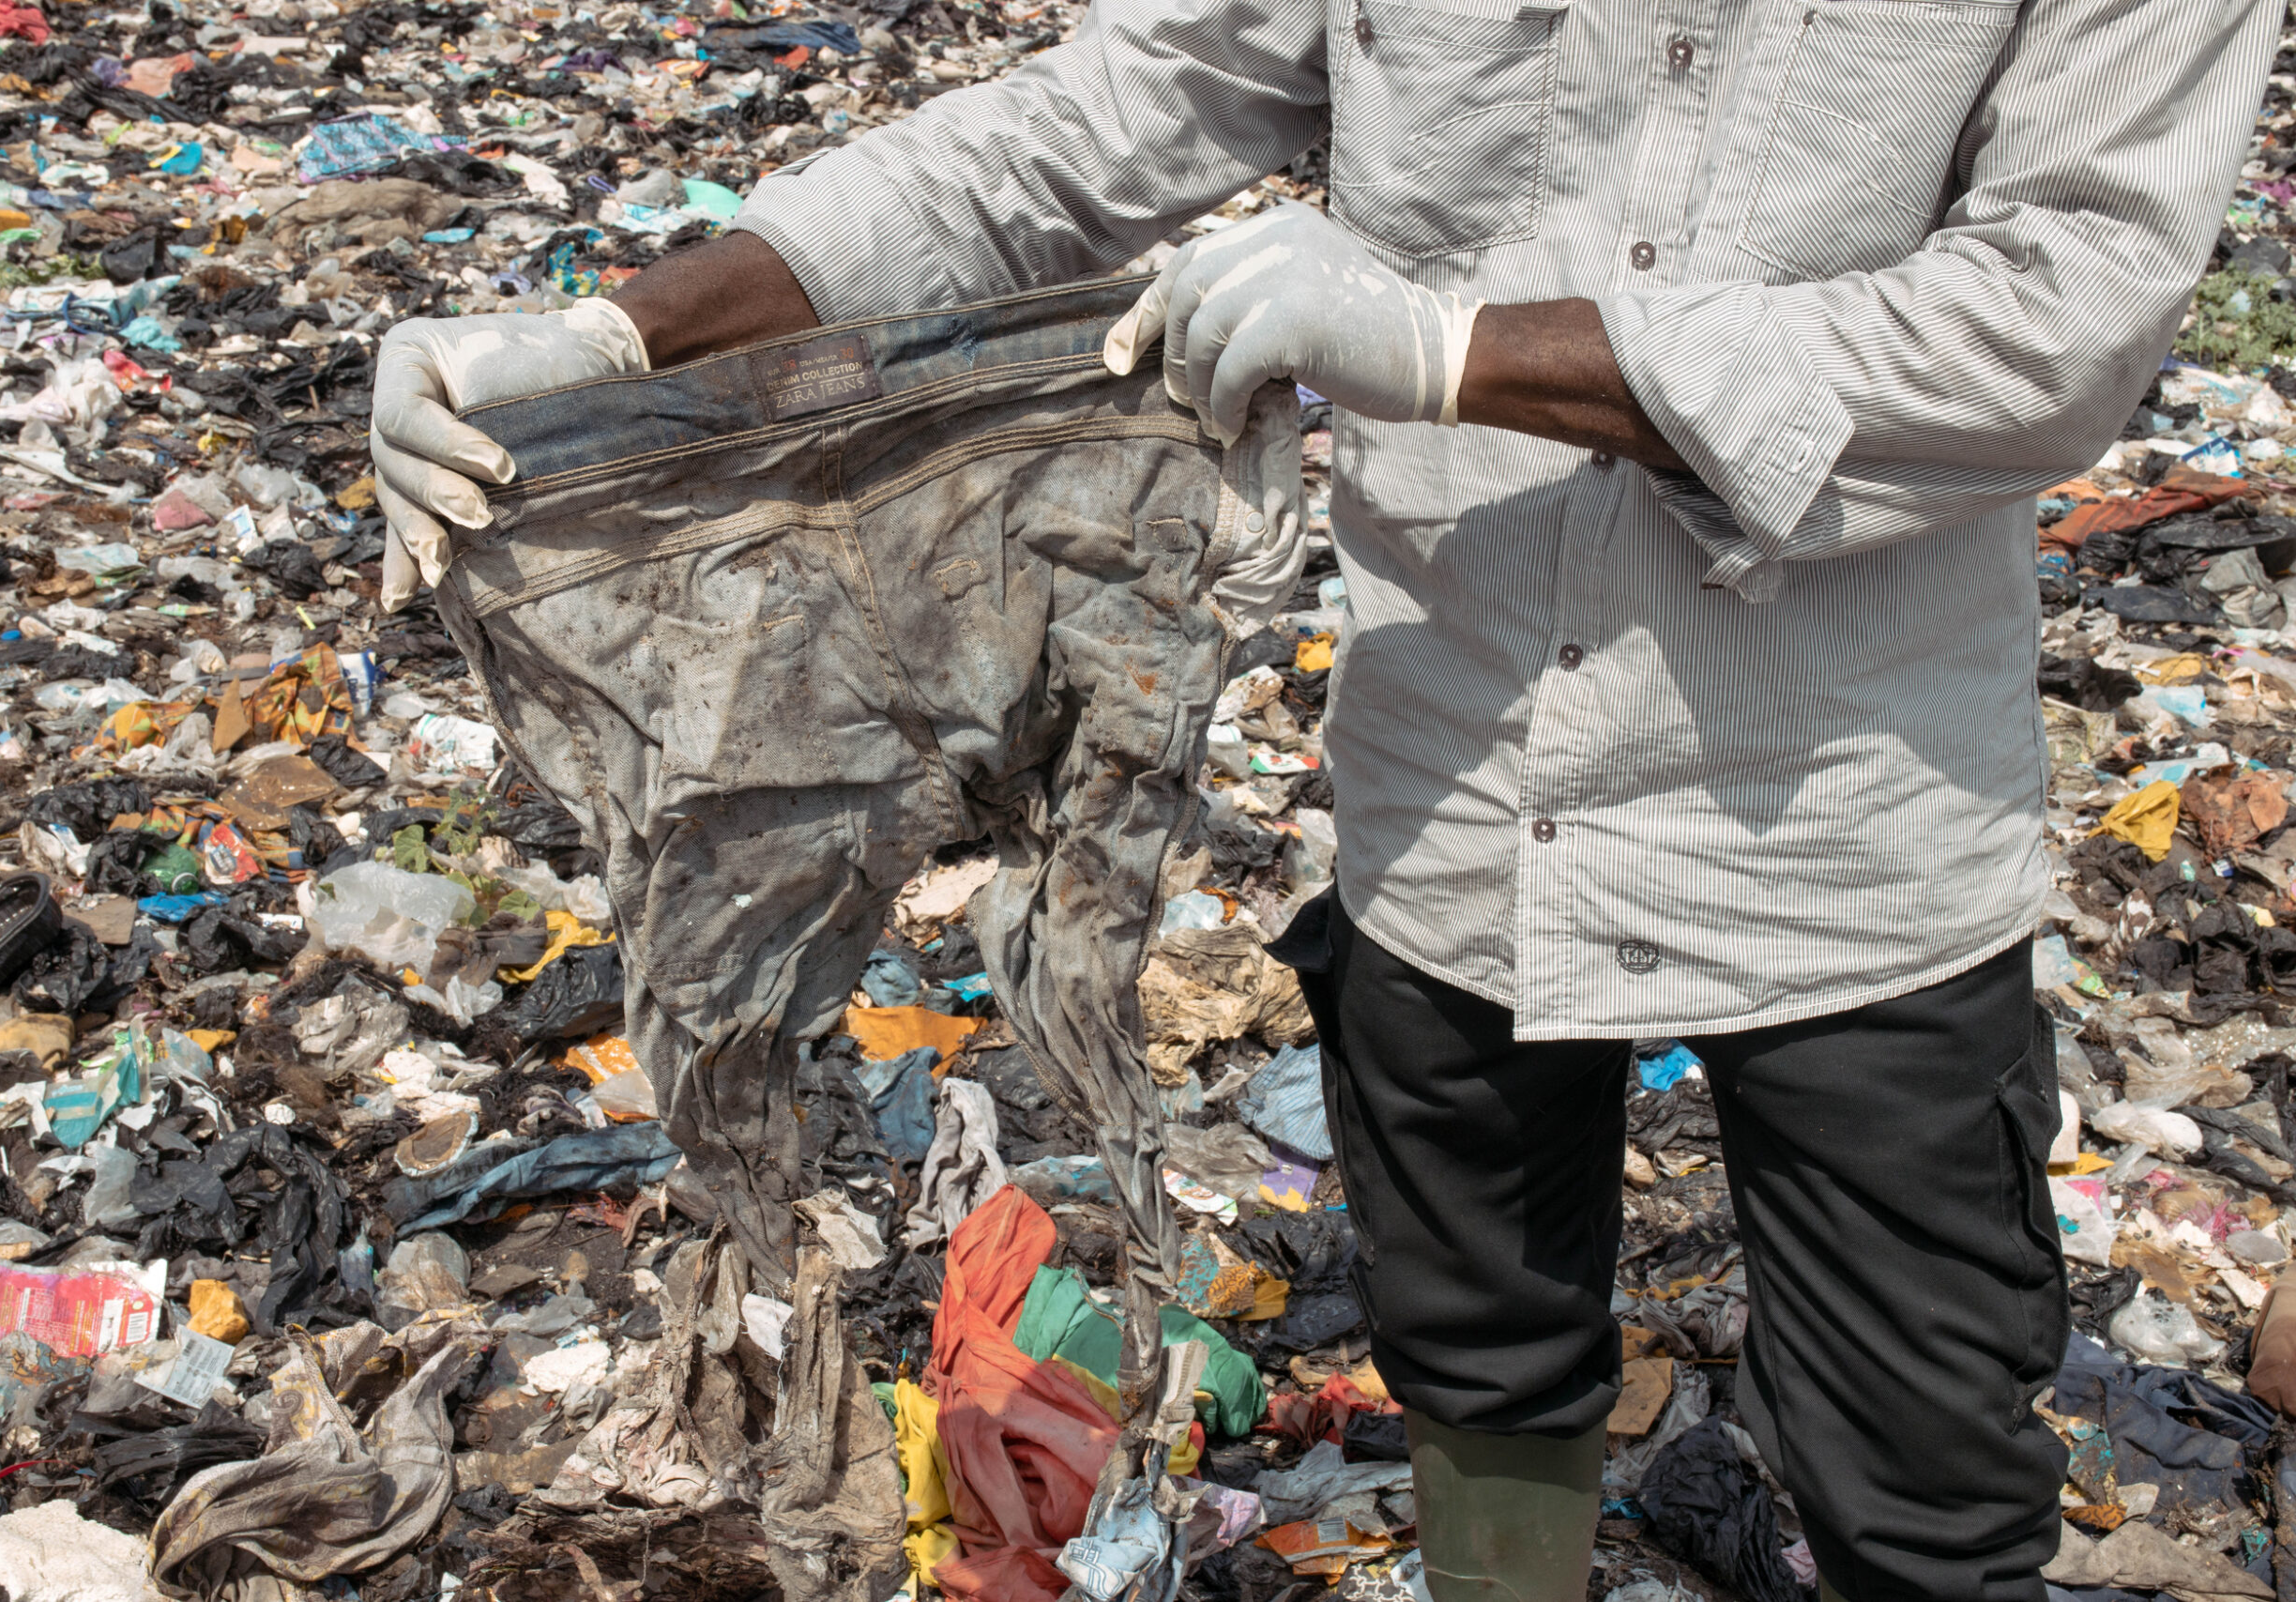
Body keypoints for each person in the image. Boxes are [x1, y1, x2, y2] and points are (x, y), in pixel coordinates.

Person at [370, 0, 2278, 1588]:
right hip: (1448, 776)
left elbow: (2057, 315)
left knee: (1923, 1464)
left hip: (1845, 813)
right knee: (1478, 1354)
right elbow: (1073, 131)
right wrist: (618, 343)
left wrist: (1457, 354)